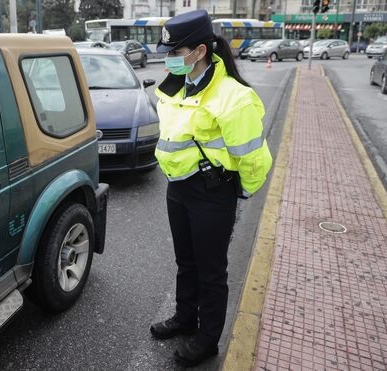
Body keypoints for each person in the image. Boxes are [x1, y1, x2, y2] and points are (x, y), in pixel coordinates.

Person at [149, 10, 272, 367]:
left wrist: (240, 192)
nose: (168, 58)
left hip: (212, 193)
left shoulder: (233, 97)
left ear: (199, 50)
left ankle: (207, 339)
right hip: (178, 189)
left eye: (175, 51)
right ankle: (185, 317)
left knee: (211, 270)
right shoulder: (174, 86)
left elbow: (252, 155)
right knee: (185, 262)